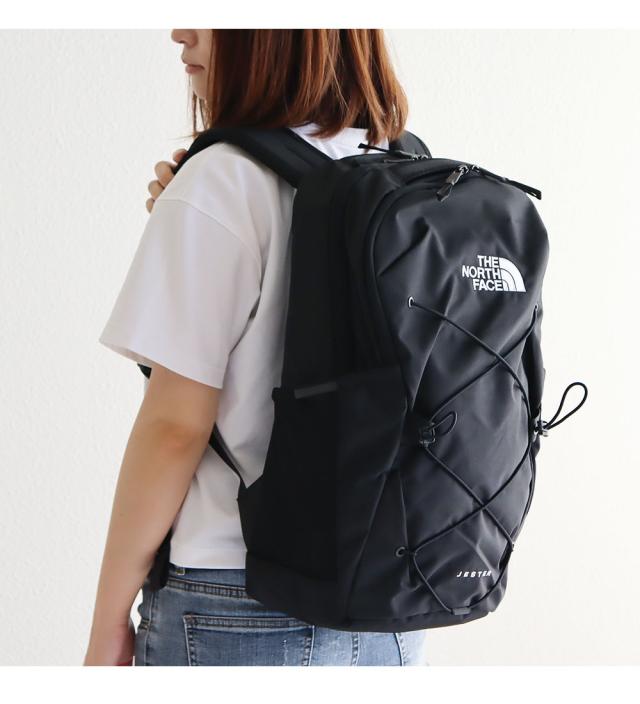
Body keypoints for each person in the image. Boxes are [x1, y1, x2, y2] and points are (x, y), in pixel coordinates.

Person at [84, 28, 428, 667]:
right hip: (392, 608)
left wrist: (106, 628)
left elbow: (174, 430)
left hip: (232, 602)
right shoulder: (404, 167)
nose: (181, 30)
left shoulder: (222, 178)